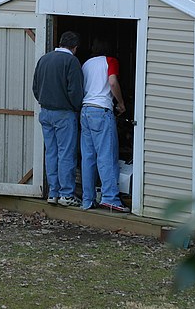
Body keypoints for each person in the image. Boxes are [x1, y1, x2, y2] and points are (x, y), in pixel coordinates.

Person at [32, 31, 84, 207]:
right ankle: (66, 194)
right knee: (66, 153)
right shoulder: (71, 61)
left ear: (60, 43)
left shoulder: (44, 59)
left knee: (51, 152)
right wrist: (76, 108)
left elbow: (35, 87)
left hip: (45, 112)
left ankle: (53, 192)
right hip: (64, 113)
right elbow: (75, 91)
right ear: (75, 47)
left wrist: (43, 100)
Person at [80, 38, 130, 213]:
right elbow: (112, 82)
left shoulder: (86, 64)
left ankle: (87, 199)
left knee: (88, 157)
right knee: (106, 155)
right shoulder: (110, 61)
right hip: (101, 111)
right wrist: (121, 103)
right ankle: (110, 198)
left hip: (85, 110)